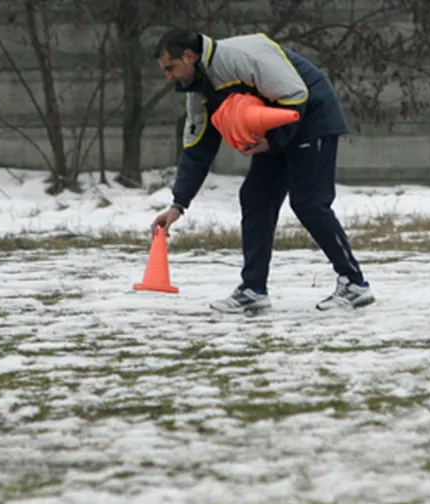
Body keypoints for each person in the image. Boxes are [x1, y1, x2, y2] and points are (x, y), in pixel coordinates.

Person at [149, 28, 375, 313]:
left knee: (309, 202)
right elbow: (197, 147)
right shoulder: (200, 89)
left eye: (171, 68)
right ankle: (253, 290)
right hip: (276, 129)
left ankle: (355, 284)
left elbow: (296, 95)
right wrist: (178, 204)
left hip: (312, 117)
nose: (168, 77)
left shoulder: (239, 57)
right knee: (256, 197)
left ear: (190, 55)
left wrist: (273, 141)